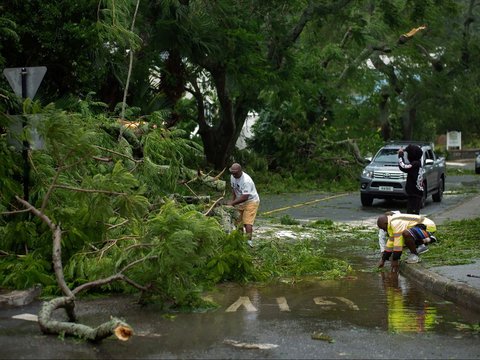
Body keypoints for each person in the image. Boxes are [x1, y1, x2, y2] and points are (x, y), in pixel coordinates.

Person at [227, 163, 260, 247]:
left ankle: (249, 242)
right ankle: (240, 241)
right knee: (238, 221)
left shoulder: (246, 181)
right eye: (232, 172)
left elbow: (245, 197)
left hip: (251, 201)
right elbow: (234, 190)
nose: (233, 174)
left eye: (235, 173)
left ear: (240, 171)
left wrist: (232, 203)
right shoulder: (232, 177)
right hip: (239, 200)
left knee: (247, 222)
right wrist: (233, 201)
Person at [398, 144, 424, 214]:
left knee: (412, 215)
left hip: (415, 194)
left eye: (408, 153)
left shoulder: (415, 164)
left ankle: (414, 225)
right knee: (412, 214)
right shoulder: (417, 163)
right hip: (415, 193)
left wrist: (400, 155)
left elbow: (403, 166)